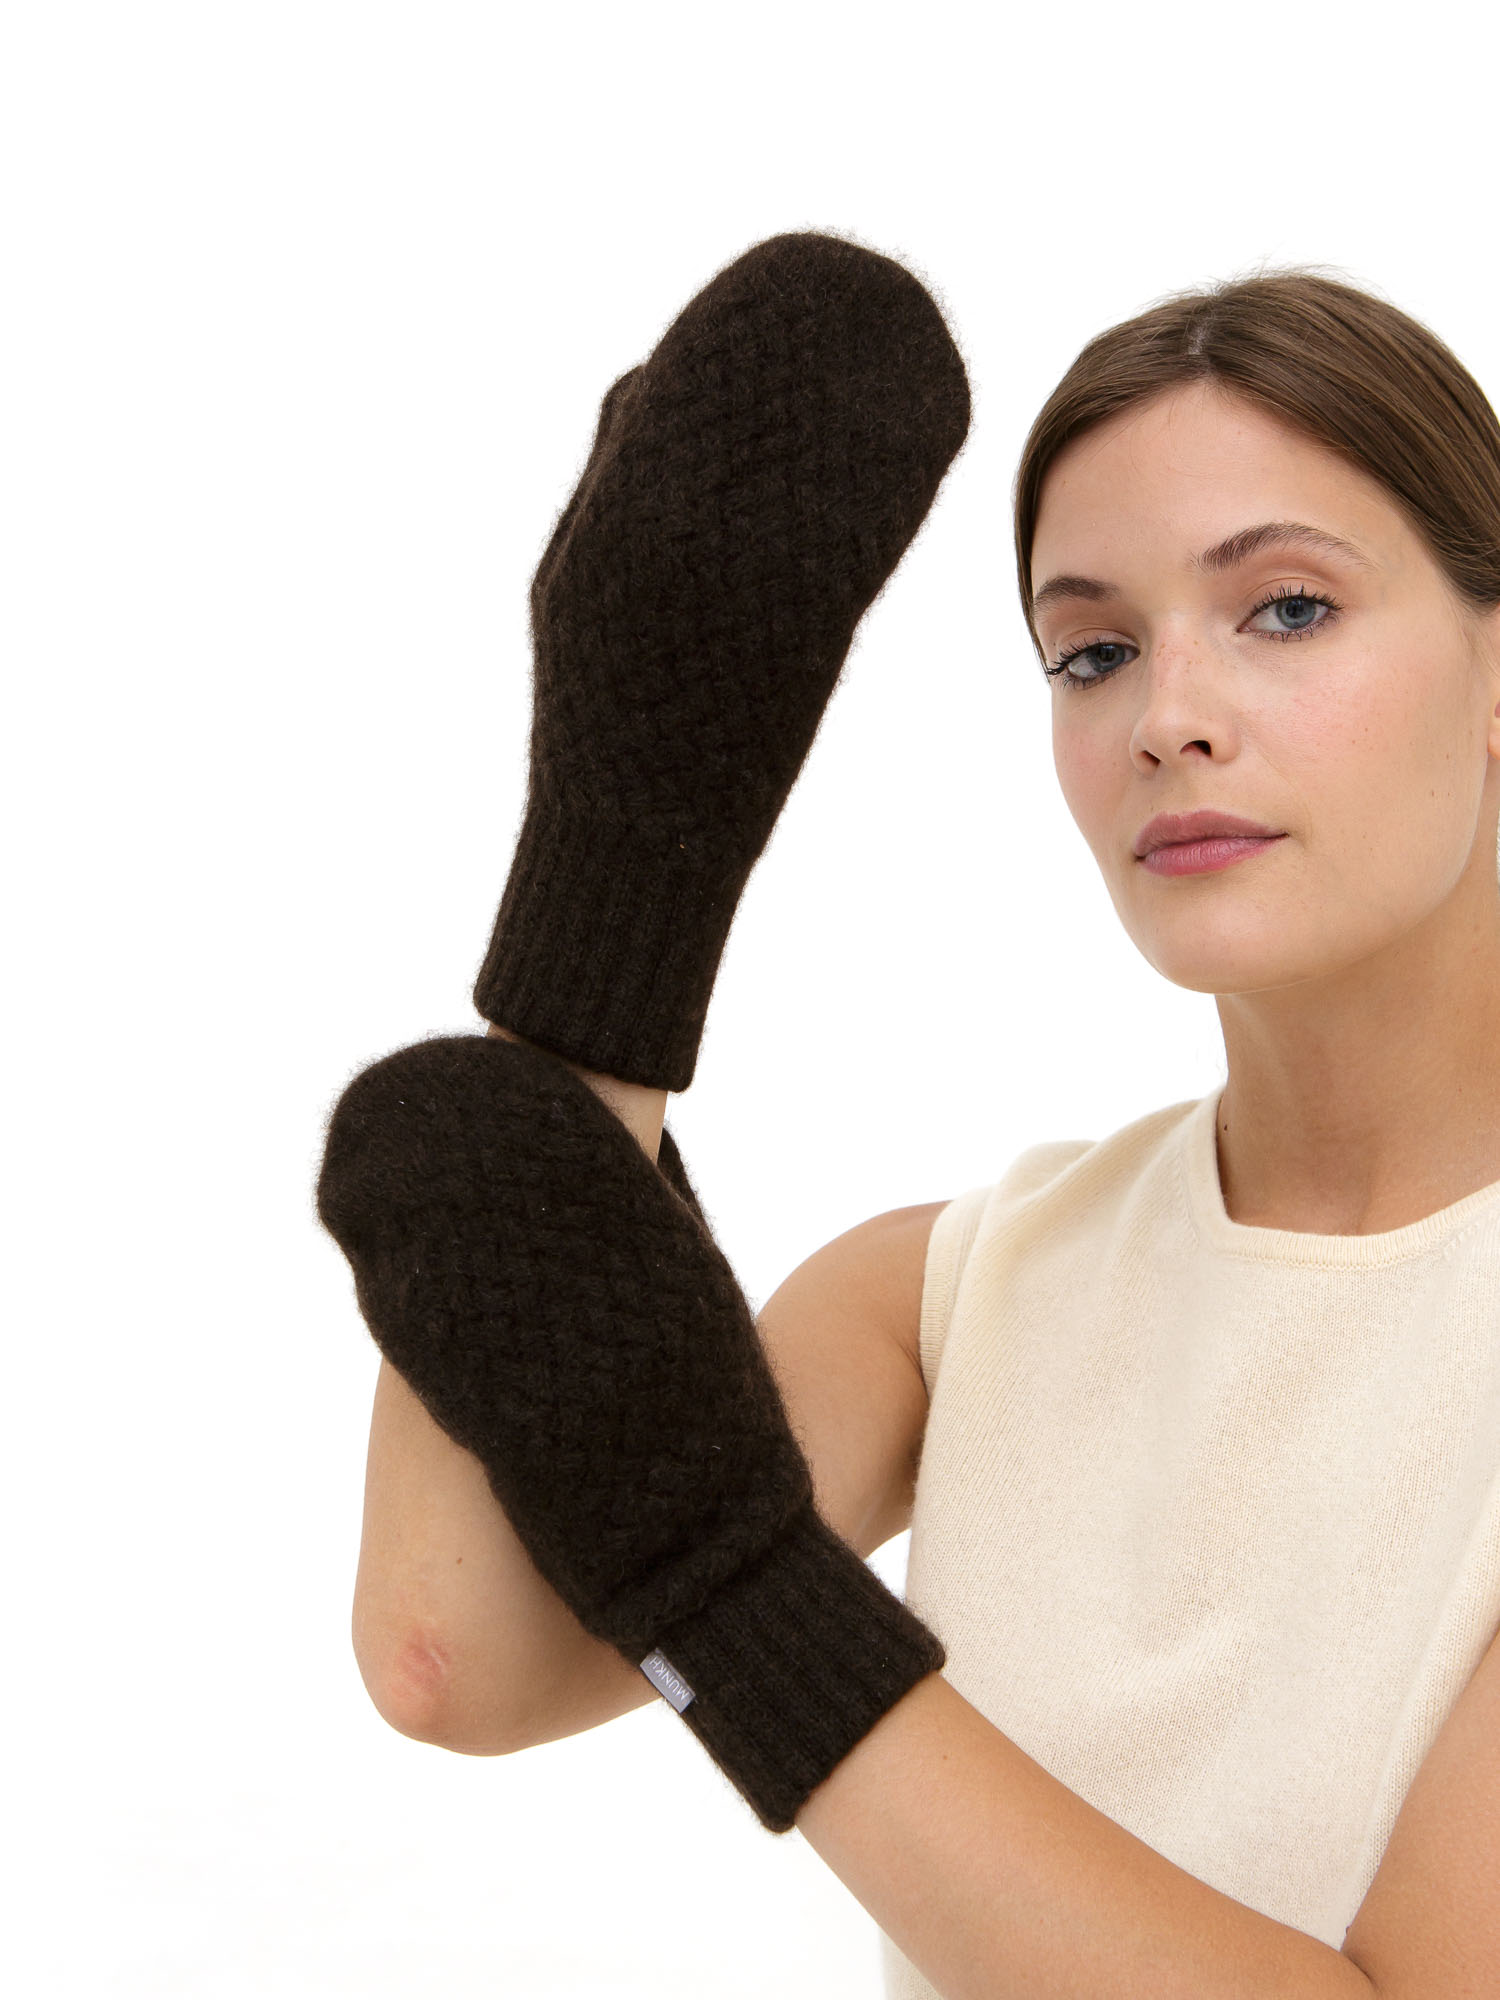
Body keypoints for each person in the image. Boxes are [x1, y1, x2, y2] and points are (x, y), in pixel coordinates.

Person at [330, 249, 1500, 1996]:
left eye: (1286, 610)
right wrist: (615, 878)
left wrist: (744, 1599)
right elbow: (456, 1659)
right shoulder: (963, 1294)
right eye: (1092, 650)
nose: (1168, 720)